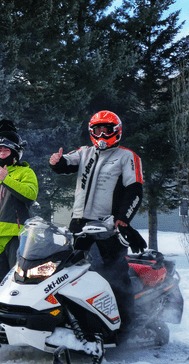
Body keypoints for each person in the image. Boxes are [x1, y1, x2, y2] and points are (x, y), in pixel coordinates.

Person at [49, 110, 143, 339]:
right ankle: (74, 319)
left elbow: (135, 190)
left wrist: (123, 219)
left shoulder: (126, 156)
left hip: (108, 226)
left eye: (106, 130)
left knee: (114, 273)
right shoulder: (84, 152)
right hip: (79, 224)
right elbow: (66, 164)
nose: (101, 134)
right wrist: (57, 161)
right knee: (68, 272)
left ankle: (125, 324)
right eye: (97, 130)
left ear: (116, 131)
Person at [0, 120, 39, 284]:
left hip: (15, 236)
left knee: (18, 279)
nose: (3, 152)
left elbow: (30, 195)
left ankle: (20, 309)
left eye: (7, 149)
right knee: (0, 280)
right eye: (0, 149)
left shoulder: (25, 172)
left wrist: (7, 179)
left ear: (15, 153)